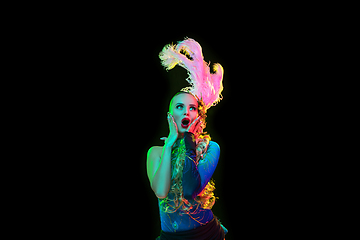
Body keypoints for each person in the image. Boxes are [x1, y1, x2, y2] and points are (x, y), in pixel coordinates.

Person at [147, 38, 227, 240]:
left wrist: (189, 140)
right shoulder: (155, 152)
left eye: (192, 108)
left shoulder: (211, 148)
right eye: (179, 107)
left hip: (207, 235)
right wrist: (169, 145)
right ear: (170, 115)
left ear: (199, 116)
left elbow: (191, 188)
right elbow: (161, 192)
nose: (186, 112)